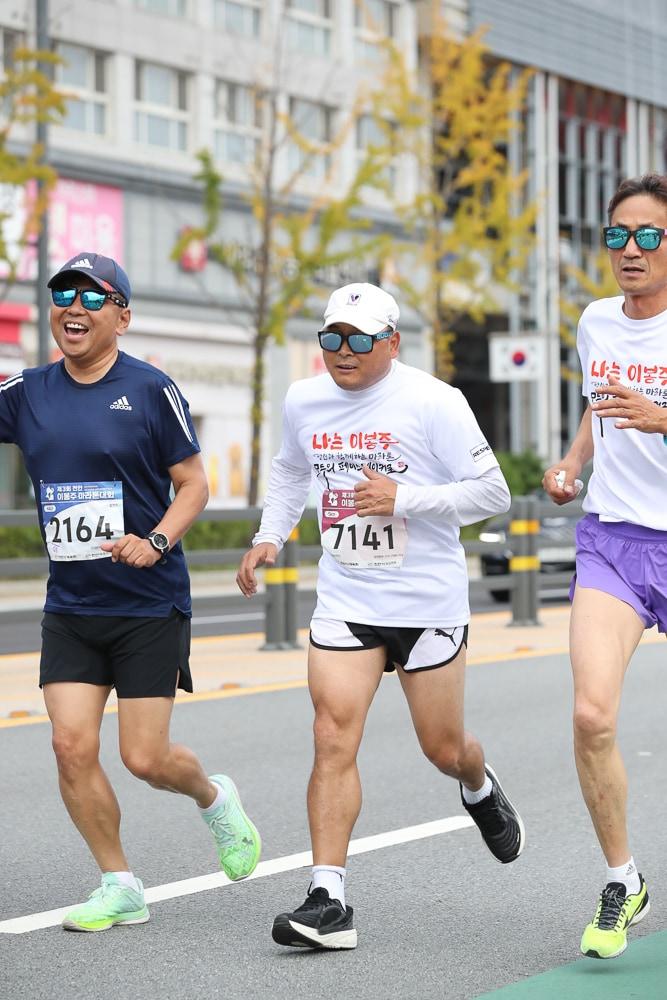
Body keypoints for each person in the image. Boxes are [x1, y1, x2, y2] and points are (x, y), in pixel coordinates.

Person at [237, 281, 524, 950]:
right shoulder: (303, 399)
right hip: (346, 598)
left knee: (442, 748)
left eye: (358, 340)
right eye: (331, 337)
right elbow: (288, 472)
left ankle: (478, 785)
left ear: (390, 343)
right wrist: (267, 535)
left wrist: (405, 498)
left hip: (425, 603)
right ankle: (326, 898)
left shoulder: (432, 401)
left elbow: (494, 492)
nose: (341, 351)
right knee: (332, 734)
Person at [0, 252, 260, 932]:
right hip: (72, 607)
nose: (73, 306)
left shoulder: (150, 389)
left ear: (122, 315)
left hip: (147, 601)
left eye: (92, 295)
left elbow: (194, 482)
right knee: (68, 746)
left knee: (144, 758)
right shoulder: (27, 393)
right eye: (62, 293)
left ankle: (212, 795)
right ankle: (119, 883)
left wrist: (158, 541)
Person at [542, 174, 667, 959]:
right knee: (590, 715)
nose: (629, 250)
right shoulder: (593, 321)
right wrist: (570, 460)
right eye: (616, 235)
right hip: (614, 541)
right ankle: (622, 878)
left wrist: (663, 418)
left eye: (647, 236)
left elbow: (646, 410)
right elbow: (597, 401)